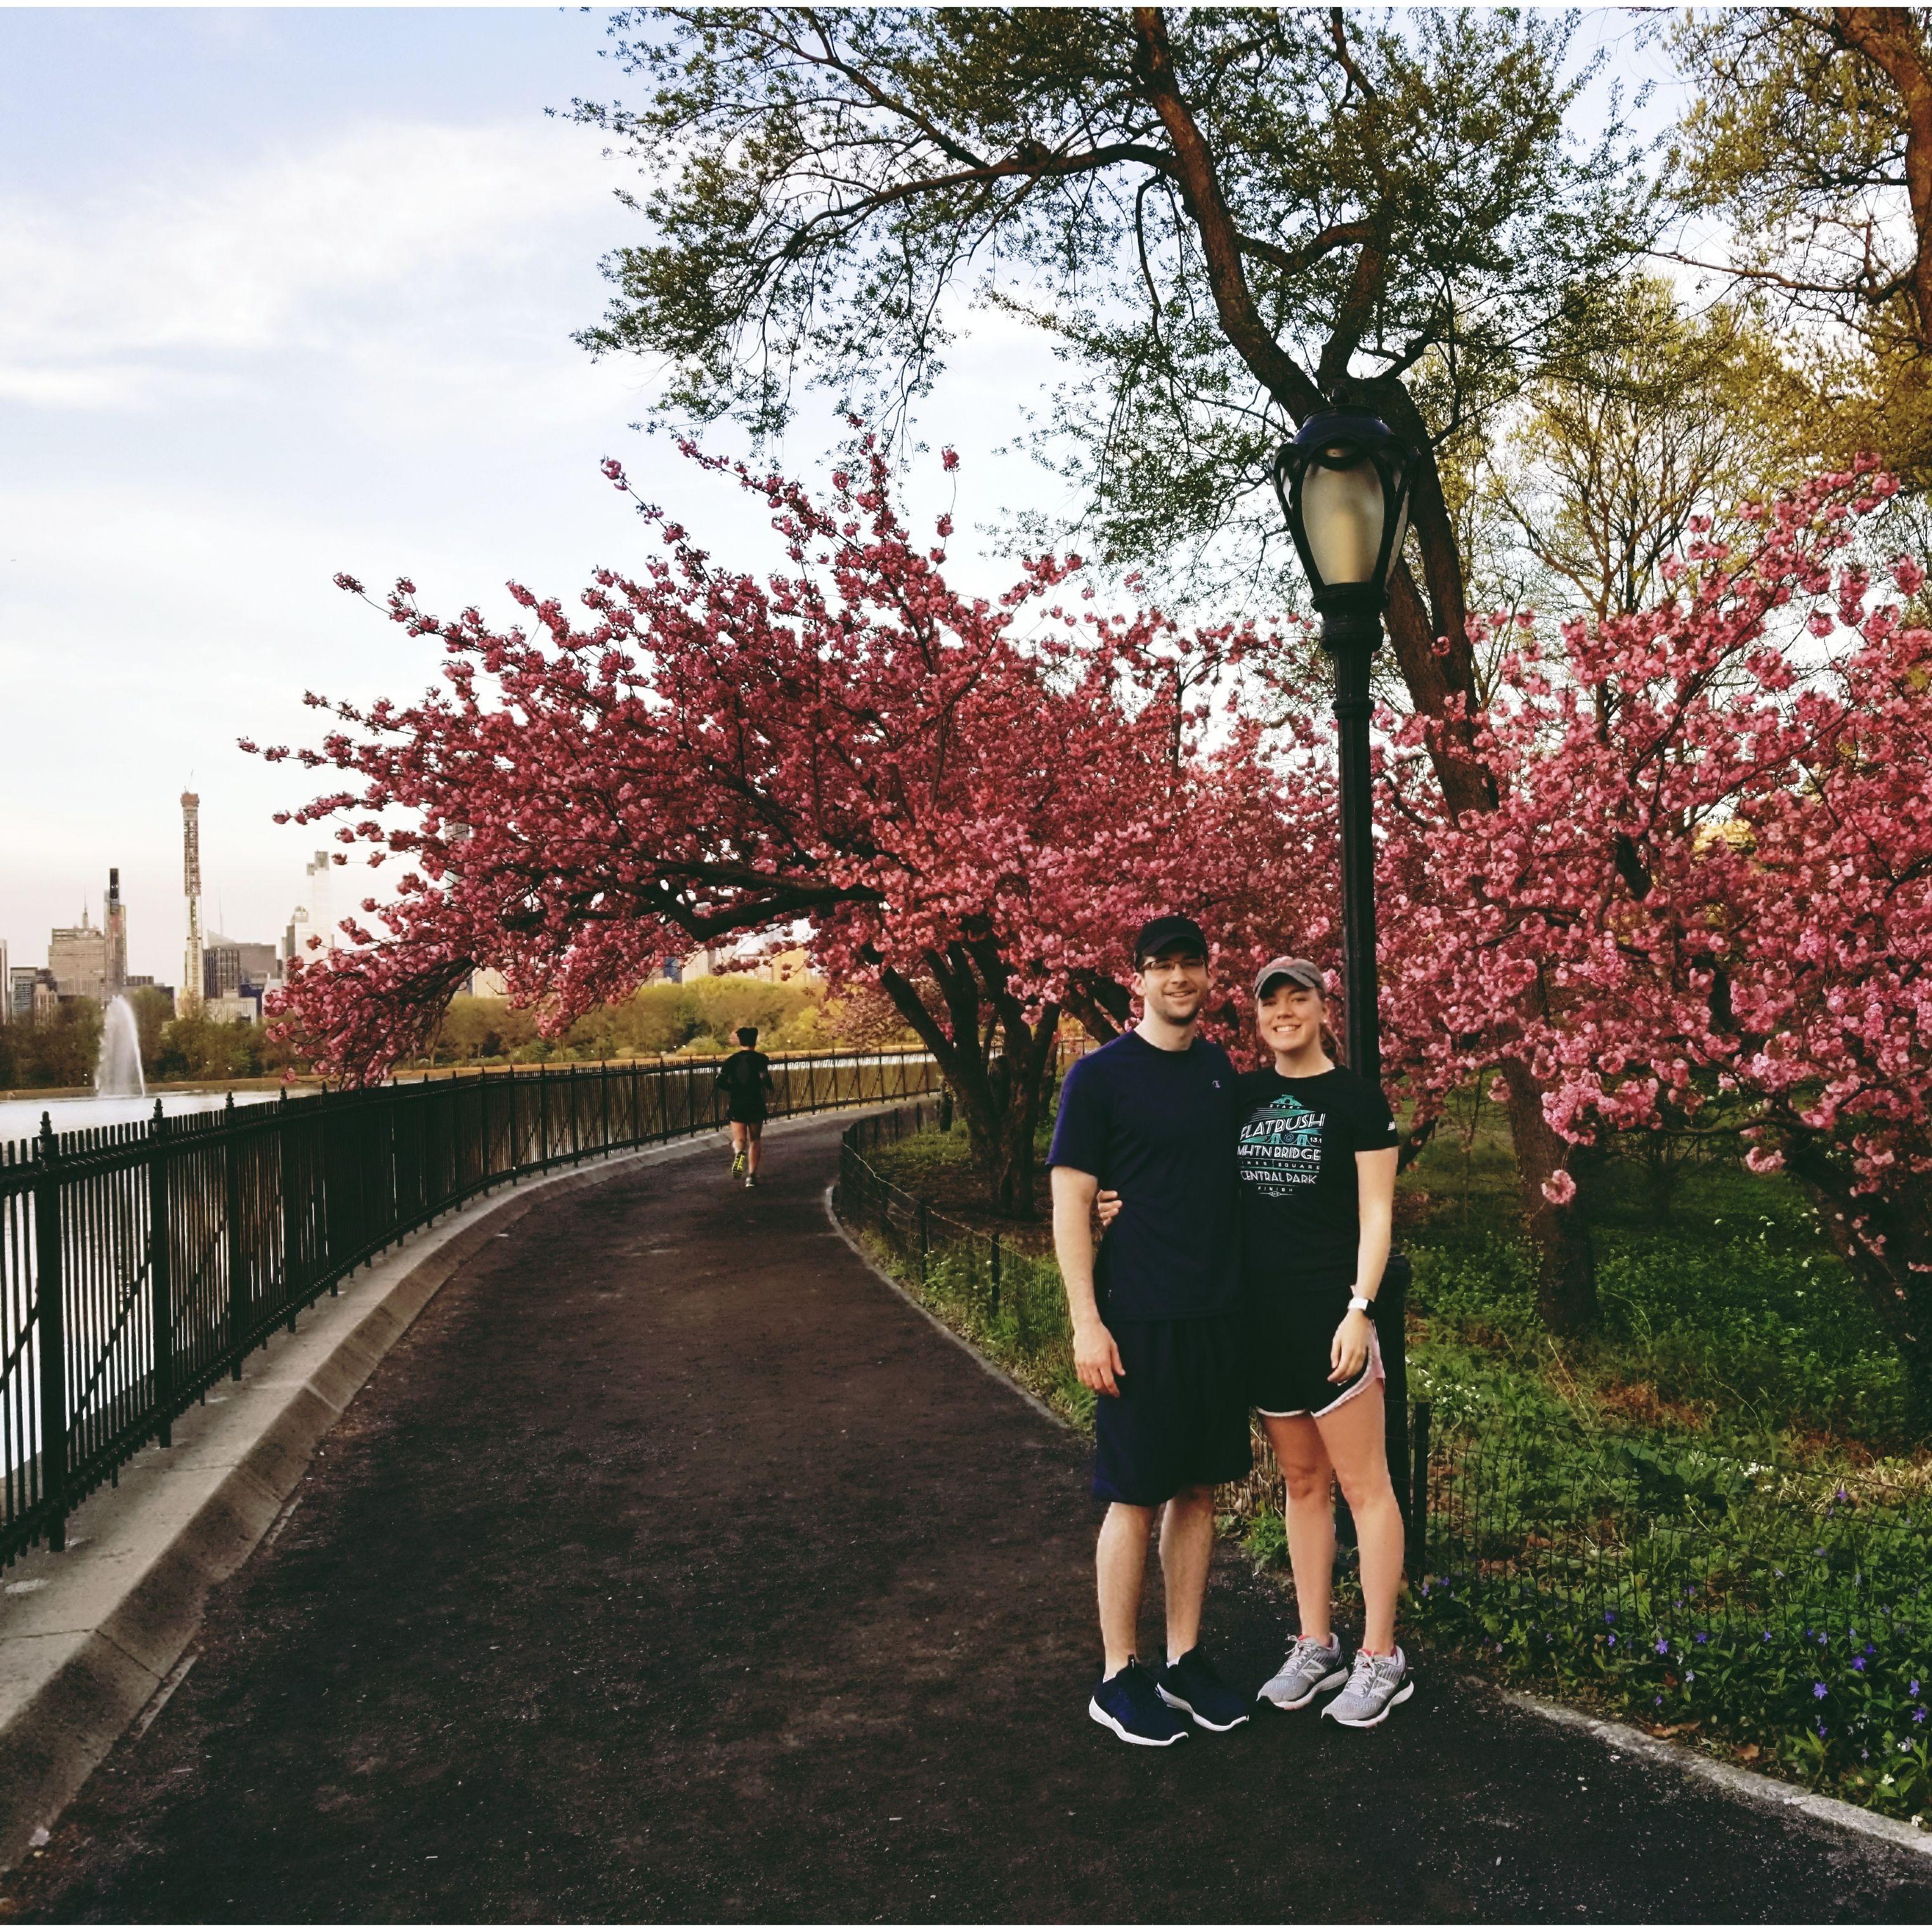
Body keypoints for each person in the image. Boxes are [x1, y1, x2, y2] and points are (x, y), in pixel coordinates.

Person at [1096, 955, 1412, 1728]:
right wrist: (1121, 1206)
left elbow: (1377, 1214)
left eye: (1297, 998)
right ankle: (1315, 1641)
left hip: (1331, 1319)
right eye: (1270, 1002)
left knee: (1365, 1488)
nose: (1283, 1012)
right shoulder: (1241, 1095)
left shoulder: (1356, 1100)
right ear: (1258, 1017)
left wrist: (1360, 1308)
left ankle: (1381, 1655)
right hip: (1256, 1324)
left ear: (1322, 1007)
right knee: (1302, 1487)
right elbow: (1185, 1175)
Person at [1048, 914, 1251, 1747]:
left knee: (1198, 1488)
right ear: (1135, 978)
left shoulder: (1217, 1072)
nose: (1179, 978)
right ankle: (1117, 1672)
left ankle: (1183, 1659)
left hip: (1214, 1313)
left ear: (1209, 976)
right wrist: (1085, 1320)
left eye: (1192, 964)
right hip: (1135, 1315)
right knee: (1132, 1495)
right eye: (1162, 966)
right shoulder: (1099, 1078)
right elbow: (1068, 1200)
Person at [715, 1026, 774, 1188]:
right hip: (755, 1102)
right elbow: (764, 1077)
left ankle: (739, 1154)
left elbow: (719, 1081)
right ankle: (752, 1176)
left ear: (740, 1042)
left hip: (737, 1103)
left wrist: (733, 1089)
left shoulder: (731, 1060)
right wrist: (771, 1087)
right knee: (755, 1140)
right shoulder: (761, 1059)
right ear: (754, 1042)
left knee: (740, 1139)